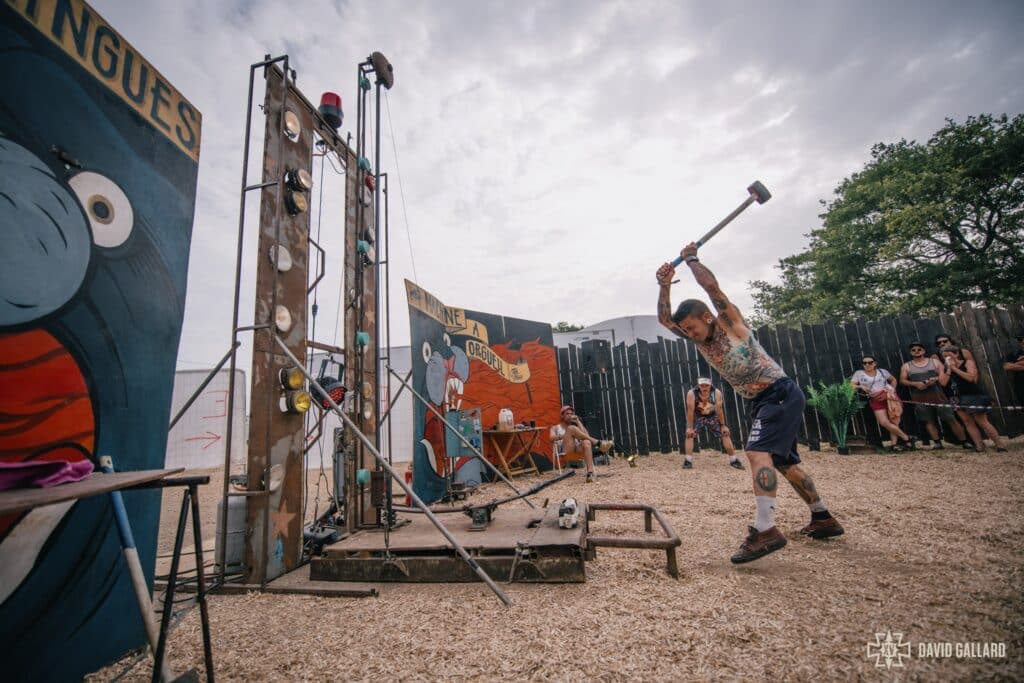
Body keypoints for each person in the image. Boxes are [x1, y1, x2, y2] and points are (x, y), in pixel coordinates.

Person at [657, 243, 844, 565]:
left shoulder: (730, 324)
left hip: (778, 393)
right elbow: (664, 320)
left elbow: (712, 288)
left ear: (707, 317)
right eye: (685, 331)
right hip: (760, 401)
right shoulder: (697, 339)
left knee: (757, 453)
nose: (689, 334)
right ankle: (823, 517)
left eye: (692, 327)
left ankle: (766, 528)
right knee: (784, 463)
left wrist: (691, 260)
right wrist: (664, 287)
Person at [900, 341, 967, 449]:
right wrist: (915, 384)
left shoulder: (934, 362)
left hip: (938, 395)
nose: (917, 351)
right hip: (919, 398)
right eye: (914, 350)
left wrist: (935, 379)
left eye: (919, 349)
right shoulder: (906, 366)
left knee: (951, 419)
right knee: (928, 421)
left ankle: (964, 441)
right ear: (910, 352)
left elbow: (943, 377)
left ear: (924, 351)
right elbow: (902, 380)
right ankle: (937, 443)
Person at [939, 346, 1008, 452]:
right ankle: (979, 446)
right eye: (944, 357)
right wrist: (948, 369)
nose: (947, 358)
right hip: (954, 397)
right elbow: (943, 383)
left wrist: (955, 368)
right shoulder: (944, 368)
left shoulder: (967, 363)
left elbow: (970, 378)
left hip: (971, 395)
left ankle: (999, 444)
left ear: (956, 354)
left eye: (949, 355)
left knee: (982, 421)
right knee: (967, 422)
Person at [850, 355, 914, 451]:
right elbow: (851, 385)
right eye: (864, 363)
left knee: (894, 420)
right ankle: (907, 438)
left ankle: (894, 445)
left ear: (875, 363)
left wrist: (891, 390)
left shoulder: (882, 371)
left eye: (870, 362)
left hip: (889, 397)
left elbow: (893, 380)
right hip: (875, 398)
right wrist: (861, 387)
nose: (867, 364)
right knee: (884, 422)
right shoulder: (859, 373)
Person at [683, 377, 744, 470]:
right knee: (689, 435)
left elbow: (719, 410)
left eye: (706, 385)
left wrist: (723, 425)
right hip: (697, 416)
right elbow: (690, 411)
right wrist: (690, 428)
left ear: (710, 385)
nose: (704, 388)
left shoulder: (716, 393)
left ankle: (733, 460)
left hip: (712, 416)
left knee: (725, 433)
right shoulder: (691, 393)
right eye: (702, 385)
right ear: (698, 385)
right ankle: (688, 461)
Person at [549, 405, 603, 483]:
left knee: (587, 442)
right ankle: (596, 442)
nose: (570, 415)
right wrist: (564, 435)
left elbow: (586, 435)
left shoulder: (576, 426)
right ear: (562, 416)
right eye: (567, 414)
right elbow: (551, 438)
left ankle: (590, 473)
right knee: (571, 429)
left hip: (578, 452)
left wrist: (578, 422)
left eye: (571, 414)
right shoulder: (555, 427)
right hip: (566, 452)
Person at [1002, 331, 1024, 404]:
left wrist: (1016, 364)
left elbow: (1011, 365)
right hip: (1021, 389)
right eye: (1020, 340)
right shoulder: (1015, 354)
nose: (1022, 341)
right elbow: (1007, 366)